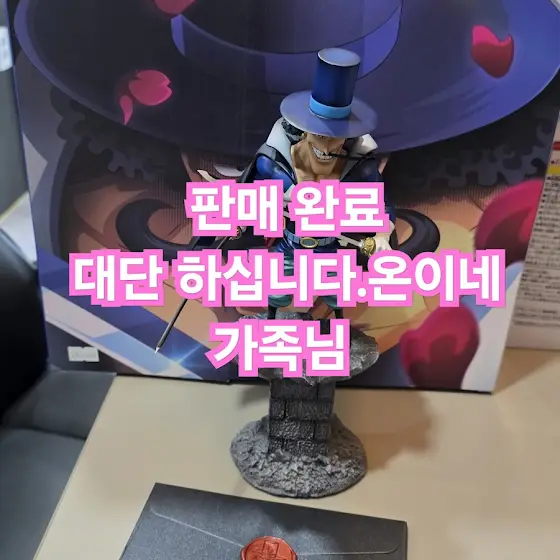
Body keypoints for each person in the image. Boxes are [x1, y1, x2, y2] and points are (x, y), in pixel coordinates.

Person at [238, 48, 395, 320]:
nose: (326, 146)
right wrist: (240, 219)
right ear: (305, 130)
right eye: (320, 135)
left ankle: (339, 332)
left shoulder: (361, 170)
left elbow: (382, 208)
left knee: (336, 295)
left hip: (330, 247)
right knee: (277, 289)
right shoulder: (274, 163)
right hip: (289, 243)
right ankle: (271, 322)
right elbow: (250, 195)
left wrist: (382, 236)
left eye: (335, 137)